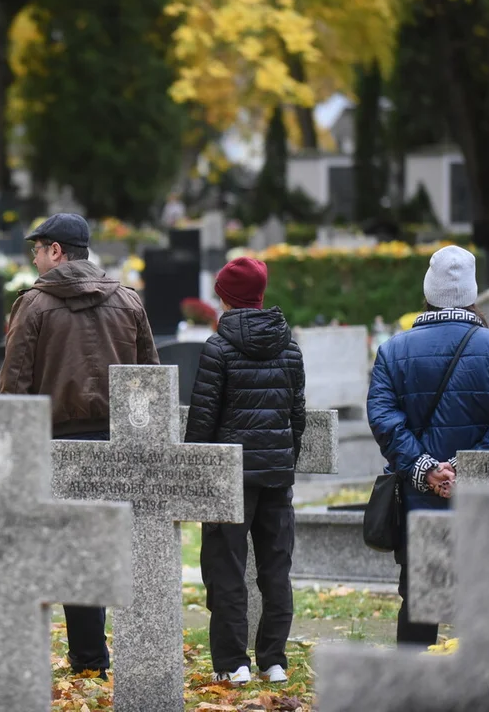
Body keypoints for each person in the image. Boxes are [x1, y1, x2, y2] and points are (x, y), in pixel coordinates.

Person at [0, 212, 158, 680]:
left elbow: (16, 382)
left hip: (57, 440)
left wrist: (12, 448)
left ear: (57, 251)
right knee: (113, 546)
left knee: (73, 548)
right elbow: (150, 373)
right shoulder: (128, 300)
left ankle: (88, 658)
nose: (33, 256)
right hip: (118, 442)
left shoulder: (33, 305)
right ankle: (140, 652)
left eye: (38, 247)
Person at [367, 245, 489, 647]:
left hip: (419, 500)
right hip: (483, 498)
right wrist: (463, 468)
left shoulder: (393, 351)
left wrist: (426, 468)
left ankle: (413, 691)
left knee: (420, 602)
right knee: (486, 597)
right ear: (473, 294)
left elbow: (384, 418)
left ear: (428, 290)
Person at [184, 257, 305, 686]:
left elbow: (203, 418)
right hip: (275, 476)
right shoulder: (289, 346)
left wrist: (196, 471)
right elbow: (297, 415)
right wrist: (283, 460)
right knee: (276, 569)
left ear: (226, 297)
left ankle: (233, 664)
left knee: (227, 570)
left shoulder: (218, 347)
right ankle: (273, 660)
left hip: (227, 478)